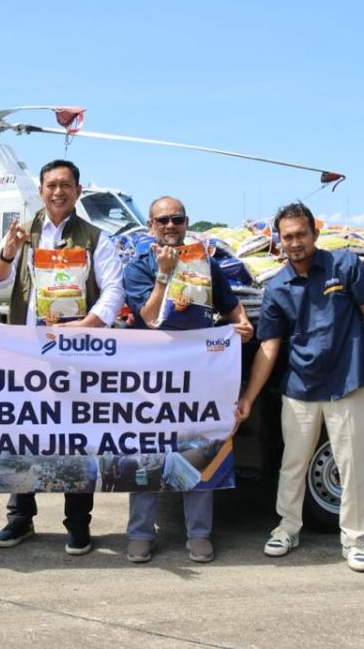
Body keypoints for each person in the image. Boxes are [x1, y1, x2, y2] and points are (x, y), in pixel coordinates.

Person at [235, 202, 364, 573]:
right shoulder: (277, 287)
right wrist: (248, 397)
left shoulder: (345, 266)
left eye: (301, 235)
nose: (295, 243)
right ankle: (287, 528)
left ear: (315, 234)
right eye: (287, 237)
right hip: (300, 387)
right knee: (293, 462)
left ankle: (354, 539)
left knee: (352, 464)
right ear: (279, 241)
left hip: (347, 382)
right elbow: (269, 347)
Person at [0, 159, 126, 555]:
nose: (58, 192)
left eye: (66, 185)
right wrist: (8, 252)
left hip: (77, 354)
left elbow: (113, 291)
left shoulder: (96, 238)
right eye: (51, 185)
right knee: (24, 435)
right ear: (41, 191)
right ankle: (20, 516)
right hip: (28, 352)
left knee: (76, 437)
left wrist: (85, 326)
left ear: (78, 191)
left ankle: (78, 523)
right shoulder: (22, 233)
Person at [121, 196, 254, 564]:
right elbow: (148, 317)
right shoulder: (138, 267)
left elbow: (232, 307)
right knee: (146, 452)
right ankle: (141, 533)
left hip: (199, 376)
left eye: (176, 219)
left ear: (186, 223)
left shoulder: (205, 264)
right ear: (150, 226)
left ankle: (198, 533)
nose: (170, 226)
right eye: (162, 220)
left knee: (198, 448)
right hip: (151, 379)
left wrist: (241, 324)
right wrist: (164, 274)